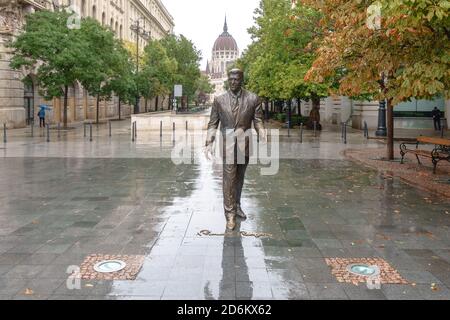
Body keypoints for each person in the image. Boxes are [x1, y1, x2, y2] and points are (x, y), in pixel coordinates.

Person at [204, 68, 266, 230]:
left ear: (241, 80)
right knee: (229, 178)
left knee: (239, 177)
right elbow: (213, 123)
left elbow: (258, 120)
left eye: (236, 79)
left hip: (245, 143)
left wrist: (262, 132)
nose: (232, 82)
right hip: (228, 144)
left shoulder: (253, 99)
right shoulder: (219, 100)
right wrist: (208, 142)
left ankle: (237, 205)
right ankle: (229, 214)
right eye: (230, 79)